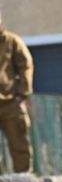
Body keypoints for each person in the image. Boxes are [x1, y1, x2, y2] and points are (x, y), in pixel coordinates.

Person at [0, 10, 34, 173]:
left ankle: (23, 179)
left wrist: (23, 94)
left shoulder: (12, 41)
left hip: (11, 102)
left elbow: (25, 66)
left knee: (19, 144)